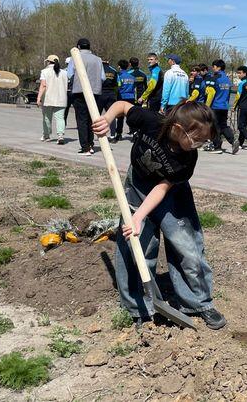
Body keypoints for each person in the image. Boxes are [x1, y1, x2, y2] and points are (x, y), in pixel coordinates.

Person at [90, 100, 227, 329]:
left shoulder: (187, 158)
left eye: (204, 141)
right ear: (177, 128)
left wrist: (139, 216)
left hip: (171, 192)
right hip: (138, 185)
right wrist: (107, 119)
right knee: (135, 244)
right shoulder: (152, 121)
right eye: (197, 139)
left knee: (187, 246)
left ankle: (198, 302)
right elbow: (122, 106)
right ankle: (138, 307)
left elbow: (162, 189)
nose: (199, 145)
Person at [67, 38, 105, 156]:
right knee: (92, 119)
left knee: (82, 120)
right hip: (95, 92)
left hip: (80, 92)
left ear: (78, 47)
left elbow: (69, 74)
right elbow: (103, 77)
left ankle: (85, 147)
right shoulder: (98, 60)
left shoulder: (75, 58)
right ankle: (91, 144)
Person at [205, 59, 237, 154]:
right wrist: (231, 105)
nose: (212, 68)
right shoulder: (228, 79)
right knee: (223, 126)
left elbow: (211, 93)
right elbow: (235, 92)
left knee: (213, 127)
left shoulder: (215, 78)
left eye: (214, 66)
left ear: (218, 67)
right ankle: (233, 141)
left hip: (215, 106)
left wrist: (206, 106)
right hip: (224, 107)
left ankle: (217, 147)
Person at [36, 55, 68, 145]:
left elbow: (43, 85)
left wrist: (38, 98)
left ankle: (47, 135)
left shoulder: (44, 72)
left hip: (48, 99)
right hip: (61, 98)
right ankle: (60, 135)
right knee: (60, 118)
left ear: (48, 62)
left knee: (47, 118)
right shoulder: (64, 73)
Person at [111, 59, 136, 143]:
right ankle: (134, 134)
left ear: (119, 66)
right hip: (131, 98)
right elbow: (134, 88)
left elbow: (118, 87)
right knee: (131, 117)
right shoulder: (132, 77)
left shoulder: (119, 76)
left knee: (120, 117)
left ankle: (118, 135)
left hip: (122, 97)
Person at [100, 59, 119, 137]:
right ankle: (112, 135)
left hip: (100, 94)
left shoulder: (99, 69)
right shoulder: (113, 70)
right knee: (112, 115)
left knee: (96, 114)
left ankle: (97, 132)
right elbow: (116, 83)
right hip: (111, 94)